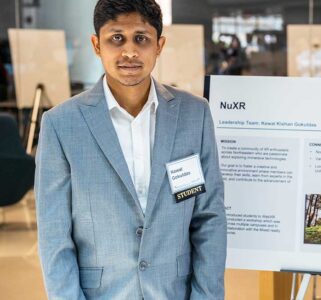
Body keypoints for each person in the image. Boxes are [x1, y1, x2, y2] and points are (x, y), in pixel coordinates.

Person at [35, 0, 226, 299]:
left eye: (141, 38)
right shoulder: (61, 124)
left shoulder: (194, 115)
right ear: (96, 45)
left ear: (159, 45)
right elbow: (54, 235)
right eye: (116, 38)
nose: (129, 52)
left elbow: (209, 218)